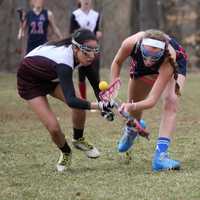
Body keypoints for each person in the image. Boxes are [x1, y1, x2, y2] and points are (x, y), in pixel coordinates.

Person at [17, 28, 114, 172]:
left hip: (50, 76)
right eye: (88, 50)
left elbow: (95, 83)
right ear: (75, 48)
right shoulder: (64, 61)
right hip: (30, 83)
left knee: (80, 103)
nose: (92, 55)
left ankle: (78, 139)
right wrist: (99, 105)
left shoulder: (84, 56)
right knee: (54, 128)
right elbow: (71, 100)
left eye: (95, 50)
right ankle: (66, 152)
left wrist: (105, 107)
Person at [110, 29, 188, 172]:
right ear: (140, 48)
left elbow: (152, 101)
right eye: (146, 55)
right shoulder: (130, 44)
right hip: (141, 65)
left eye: (154, 57)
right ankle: (131, 129)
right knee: (135, 110)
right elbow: (117, 62)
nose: (149, 61)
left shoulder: (168, 56)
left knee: (171, 101)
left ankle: (160, 157)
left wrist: (129, 106)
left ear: (161, 52)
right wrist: (113, 89)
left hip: (172, 62)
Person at [69, 0, 102, 99]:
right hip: (81, 51)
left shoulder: (96, 15)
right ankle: (83, 101)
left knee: (96, 77)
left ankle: (101, 102)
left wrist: (98, 33)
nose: (86, 0)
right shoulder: (75, 14)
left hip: (93, 50)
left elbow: (96, 30)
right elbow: (72, 33)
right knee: (82, 77)